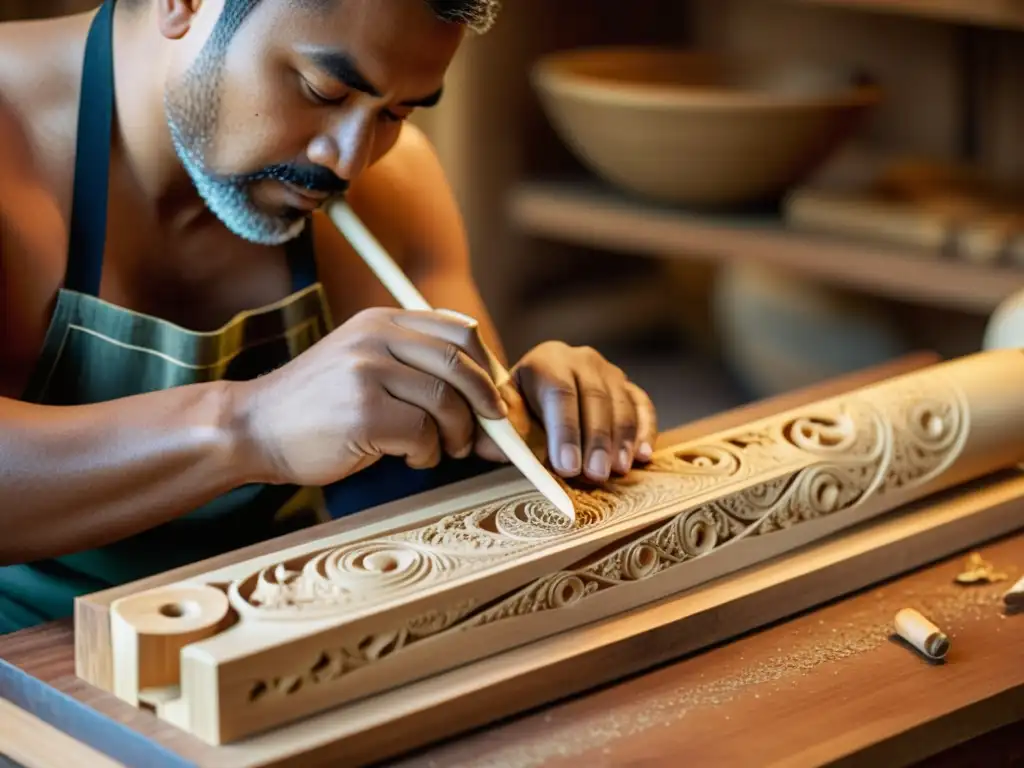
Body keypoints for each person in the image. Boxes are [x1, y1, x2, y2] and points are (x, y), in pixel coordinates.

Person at [0, 0, 659, 633]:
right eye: (323, 91)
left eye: (397, 112)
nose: (350, 161)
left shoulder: (393, 184)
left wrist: (534, 414)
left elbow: (464, 451)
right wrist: (252, 427)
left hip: (279, 642)